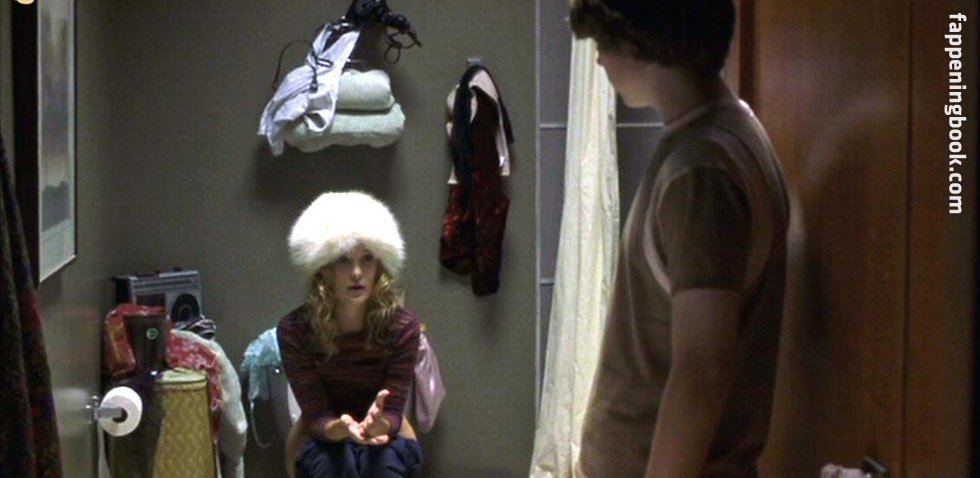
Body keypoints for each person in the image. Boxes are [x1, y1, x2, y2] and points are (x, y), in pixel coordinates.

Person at [569, 1, 791, 477]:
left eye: (604, 41)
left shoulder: (701, 170)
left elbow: (702, 371)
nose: (599, 58)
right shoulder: (726, 131)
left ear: (643, 41)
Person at [277, 191, 422, 478]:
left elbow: (393, 410)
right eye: (342, 260)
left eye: (367, 259)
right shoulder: (295, 331)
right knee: (331, 467)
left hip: (386, 439)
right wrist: (339, 428)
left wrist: (380, 424)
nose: (356, 272)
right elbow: (316, 414)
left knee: (385, 467)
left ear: (380, 266)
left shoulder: (403, 328)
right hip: (323, 436)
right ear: (324, 269)